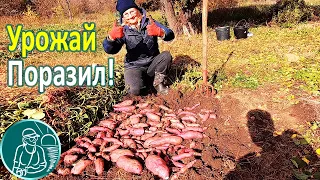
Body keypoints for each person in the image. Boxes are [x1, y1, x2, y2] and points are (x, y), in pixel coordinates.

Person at [103, 0, 175, 96]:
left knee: (166, 56)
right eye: (126, 14)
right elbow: (110, 50)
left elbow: (170, 35)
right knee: (134, 91)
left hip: (152, 64)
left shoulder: (150, 22)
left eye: (132, 11)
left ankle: (158, 83)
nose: (131, 16)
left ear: (138, 10)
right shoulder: (122, 30)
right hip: (134, 66)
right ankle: (143, 83)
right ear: (123, 17)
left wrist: (160, 33)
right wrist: (111, 38)